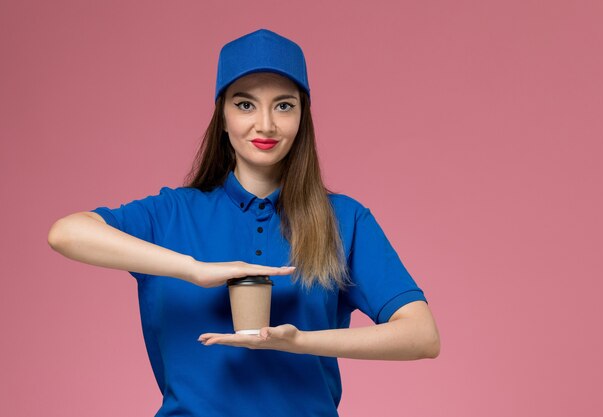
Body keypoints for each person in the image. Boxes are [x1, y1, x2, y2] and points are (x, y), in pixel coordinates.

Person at [48, 28, 440, 417]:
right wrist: (194, 269)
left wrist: (300, 341)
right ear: (221, 115)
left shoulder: (344, 220)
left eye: (284, 106)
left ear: (303, 117)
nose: (265, 125)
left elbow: (421, 336)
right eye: (245, 105)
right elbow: (66, 232)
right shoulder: (172, 213)